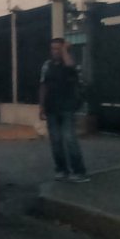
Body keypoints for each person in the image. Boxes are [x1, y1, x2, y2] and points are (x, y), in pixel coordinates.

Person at [40, 37, 89, 182]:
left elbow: (70, 66)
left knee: (69, 139)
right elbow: (43, 86)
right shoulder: (47, 65)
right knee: (55, 141)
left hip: (67, 108)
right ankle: (61, 169)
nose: (55, 51)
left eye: (58, 48)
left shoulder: (70, 63)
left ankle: (79, 172)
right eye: (53, 49)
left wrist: (65, 51)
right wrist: (41, 106)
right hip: (51, 108)